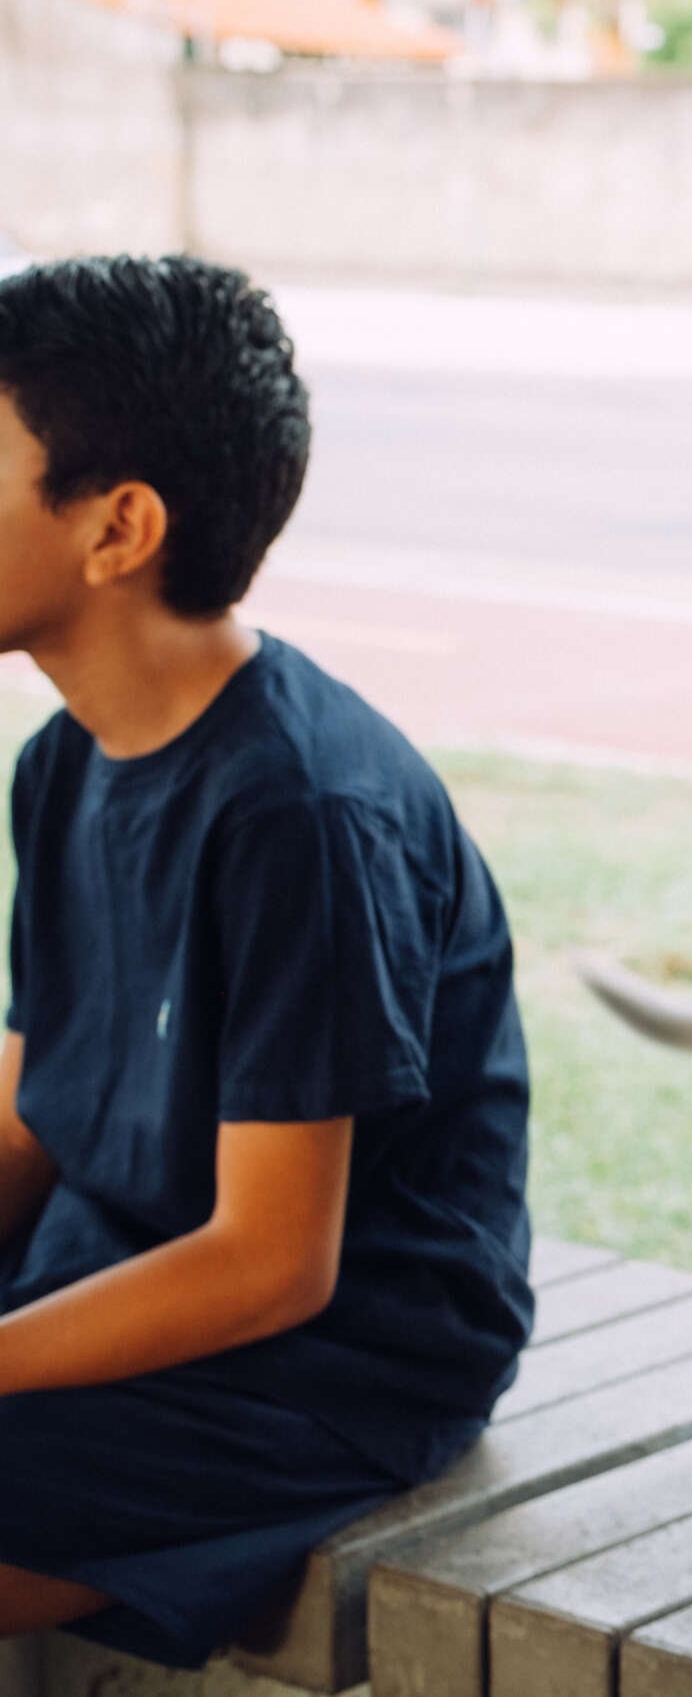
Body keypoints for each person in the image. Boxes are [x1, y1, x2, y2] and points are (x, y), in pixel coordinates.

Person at [0, 255, 533, 1666]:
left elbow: (272, 1261)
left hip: (332, 1351)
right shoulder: (59, 765)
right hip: (122, 1263)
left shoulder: (301, 809)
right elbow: (24, 1109)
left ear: (118, 527)